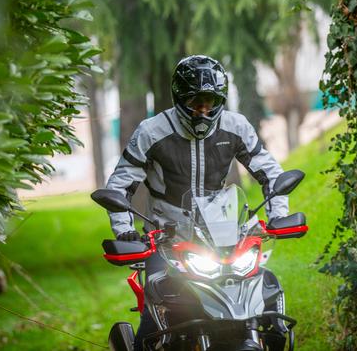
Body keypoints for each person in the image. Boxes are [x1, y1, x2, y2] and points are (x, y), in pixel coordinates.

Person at [104, 55, 289, 350]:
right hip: (166, 239)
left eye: (210, 101)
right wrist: (124, 230)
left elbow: (270, 173)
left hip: (223, 235)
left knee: (265, 291)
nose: (203, 110)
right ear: (179, 98)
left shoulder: (236, 126)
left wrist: (278, 215)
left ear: (220, 100)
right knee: (155, 313)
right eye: (195, 102)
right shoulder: (152, 131)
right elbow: (120, 184)